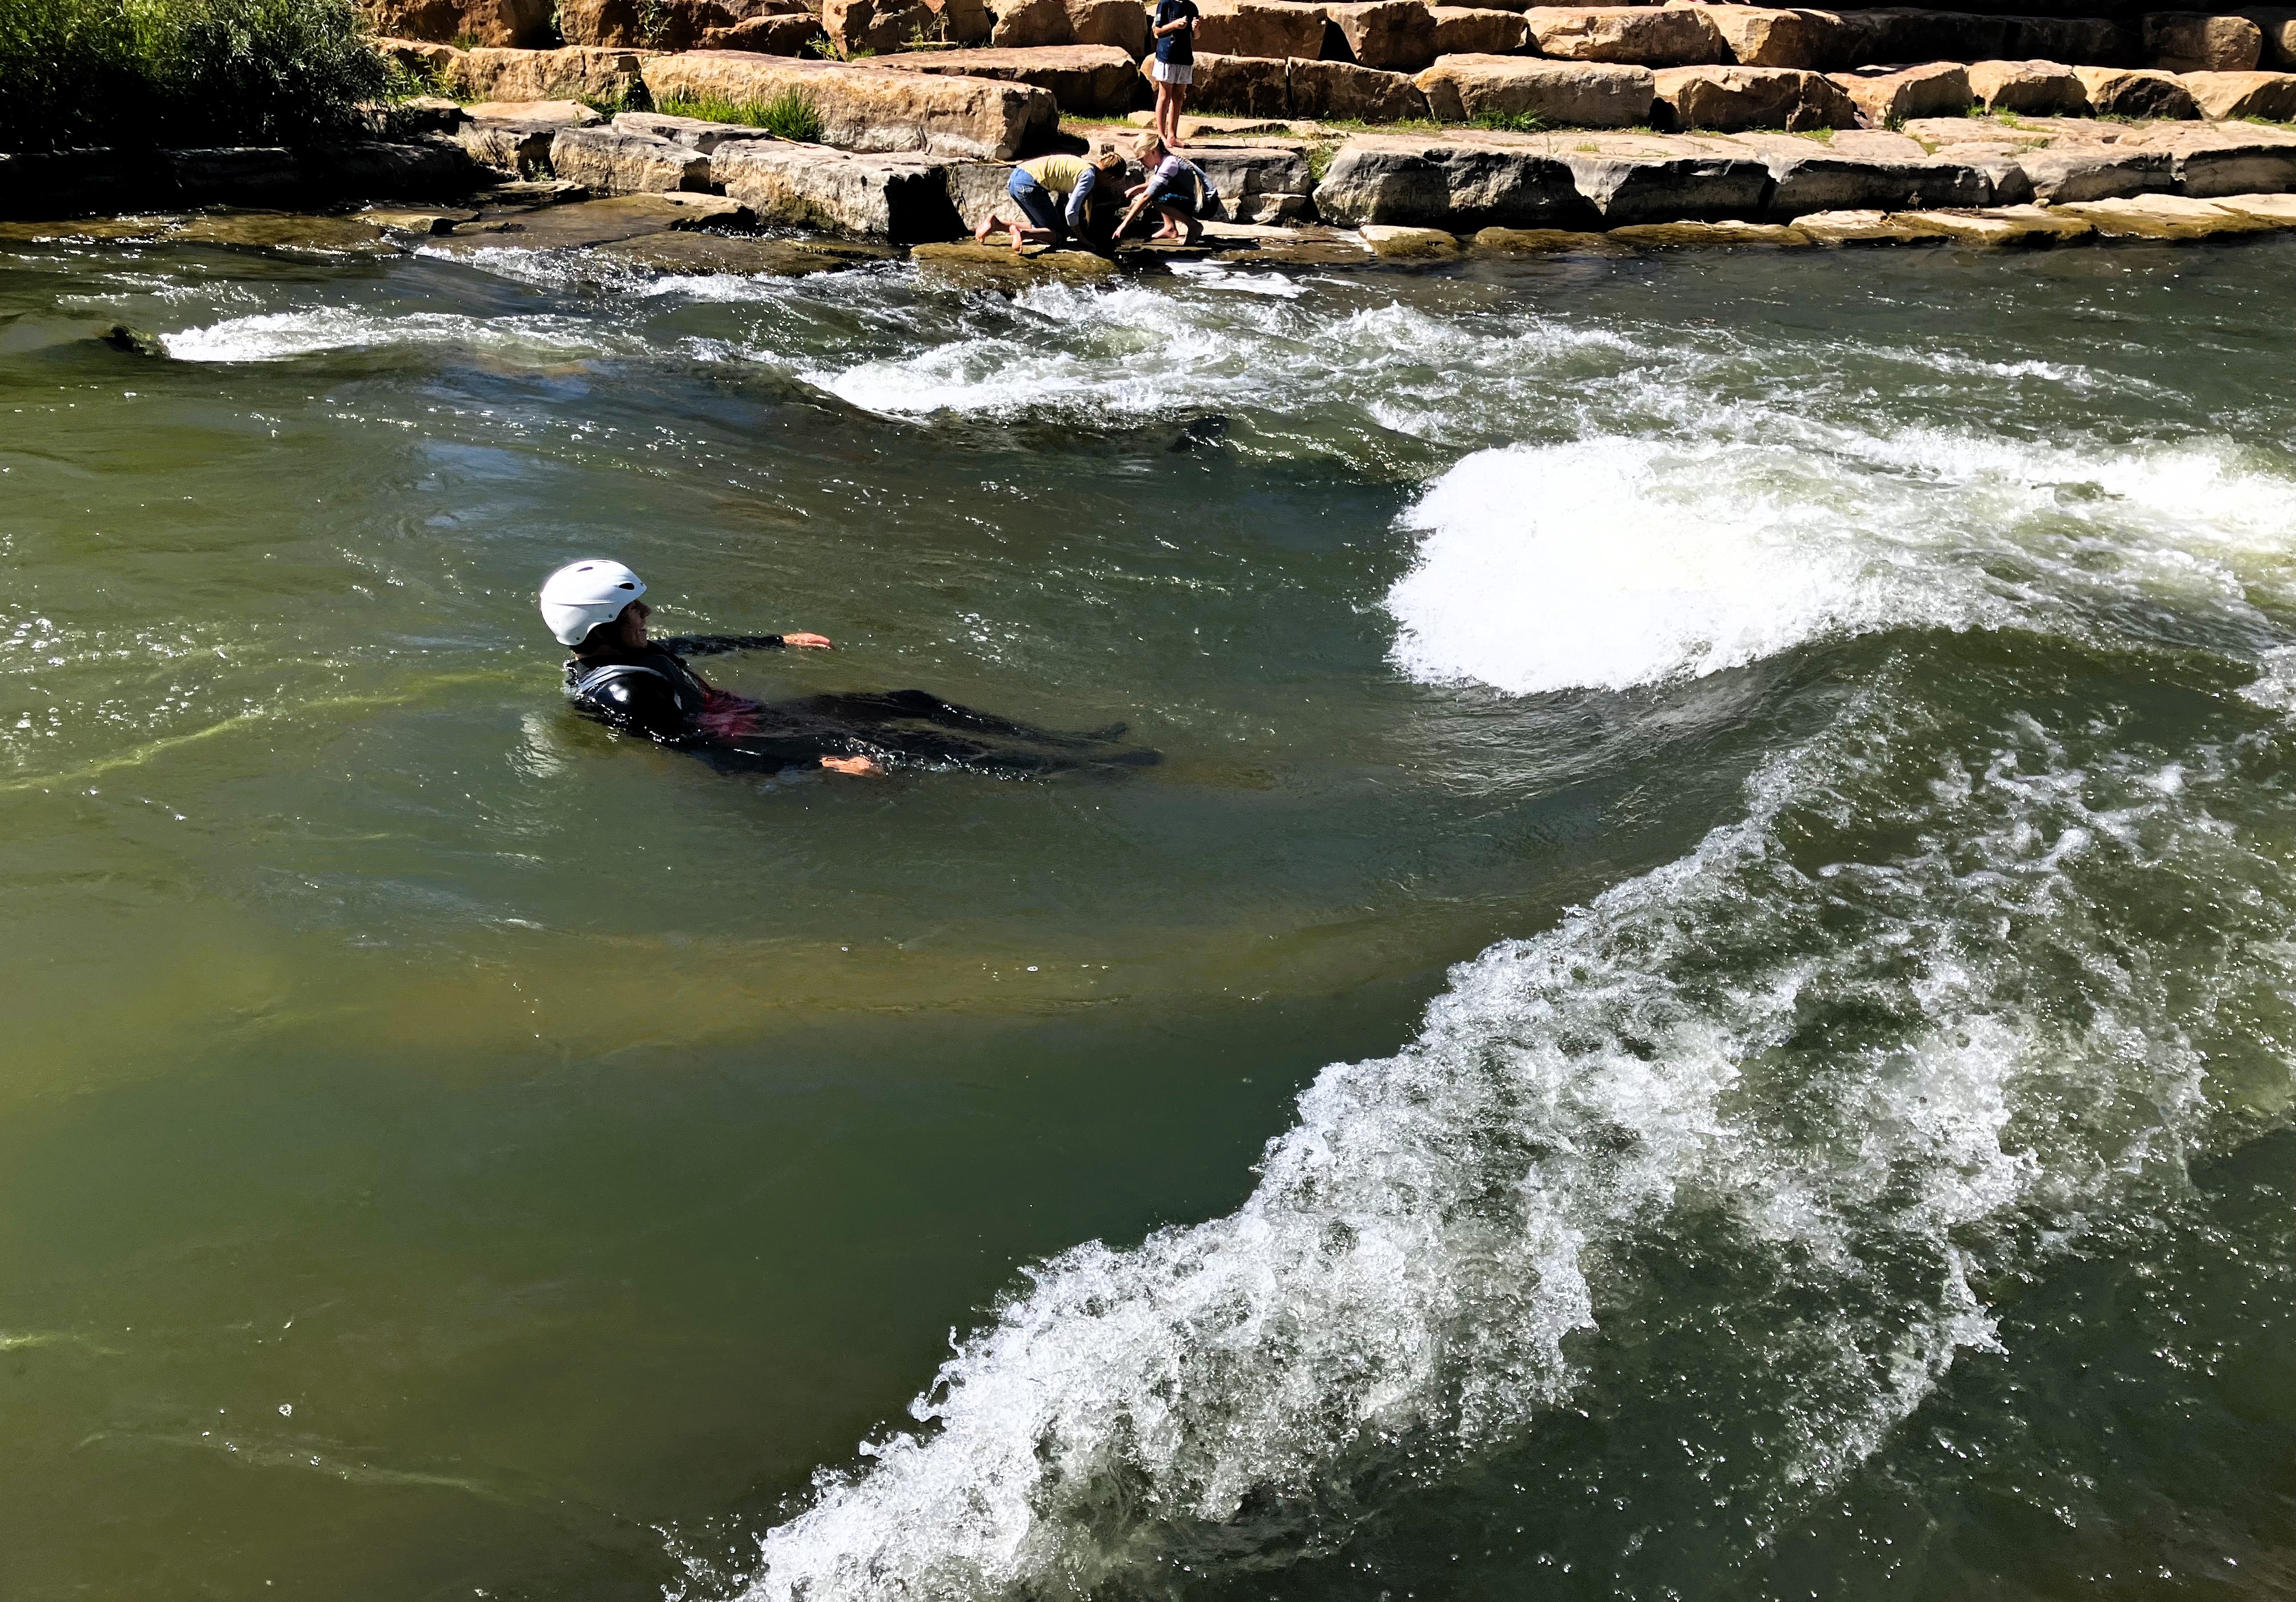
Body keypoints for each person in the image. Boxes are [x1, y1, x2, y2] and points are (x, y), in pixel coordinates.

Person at [539, 560, 1150, 779]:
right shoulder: (624, 690)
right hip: (746, 741)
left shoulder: (632, 652)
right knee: (918, 741)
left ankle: (1064, 742)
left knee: (913, 699)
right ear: (600, 626)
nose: (647, 612)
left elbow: (698, 643)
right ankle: (1073, 773)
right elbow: (695, 752)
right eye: (632, 609)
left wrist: (779, 638)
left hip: (749, 716)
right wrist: (820, 762)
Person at [973, 149, 1125, 253]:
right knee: (1059, 236)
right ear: (1111, 178)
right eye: (1113, 183)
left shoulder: (1084, 166)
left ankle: (996, 224)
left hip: (1016, 177)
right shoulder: (1090, 177)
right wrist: (1081, 238)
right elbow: (1071, 212)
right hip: (1029, 185)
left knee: (1041, 228)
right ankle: (1023, 234)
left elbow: (1072, 198)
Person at [1118, 133, 1218, 245]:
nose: (1142, 164)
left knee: (1157, 198)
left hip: (1208, 206)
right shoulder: (1163, 162)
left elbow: (1147, 196)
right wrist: (1137, 189)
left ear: (1153, 152)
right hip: (1203, 201)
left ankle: (1194, 226)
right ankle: (1170, 228)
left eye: (1143, 159)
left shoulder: (1169, 165)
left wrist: (1124, 224)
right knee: (1155, 182)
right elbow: (1154, 183)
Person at [1147, 0, 1200, 147]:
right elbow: (1157, 31)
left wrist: (1196, 28)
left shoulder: (1191, 7)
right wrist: (1174, 25)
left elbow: (1196, 36)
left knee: (1178, 97)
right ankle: (1161, 136)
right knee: (1164, 97)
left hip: (1184, 57)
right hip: (1167, 56)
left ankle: (1172, 135)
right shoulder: (1165, 4)